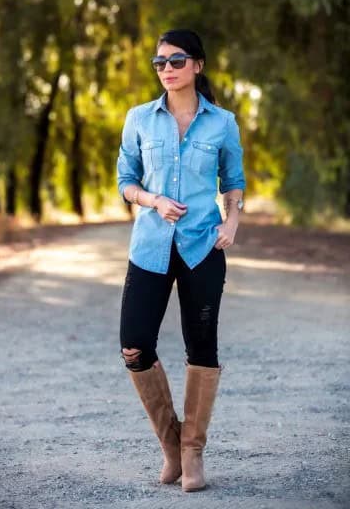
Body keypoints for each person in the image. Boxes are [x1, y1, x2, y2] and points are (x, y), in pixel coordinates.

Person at [116, 28, 246, 492]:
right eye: (159, 63)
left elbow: (234, 181)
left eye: (176, 60)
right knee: (133, 344)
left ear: (197, 66)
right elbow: (124, 180)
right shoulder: (138, 119)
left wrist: (231, 222)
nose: (166, 69)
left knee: (201, 347)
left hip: (202, 249)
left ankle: (193, 455)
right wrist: (151, 200)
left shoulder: (222, 122)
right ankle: (171, 445)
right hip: (150, 247)